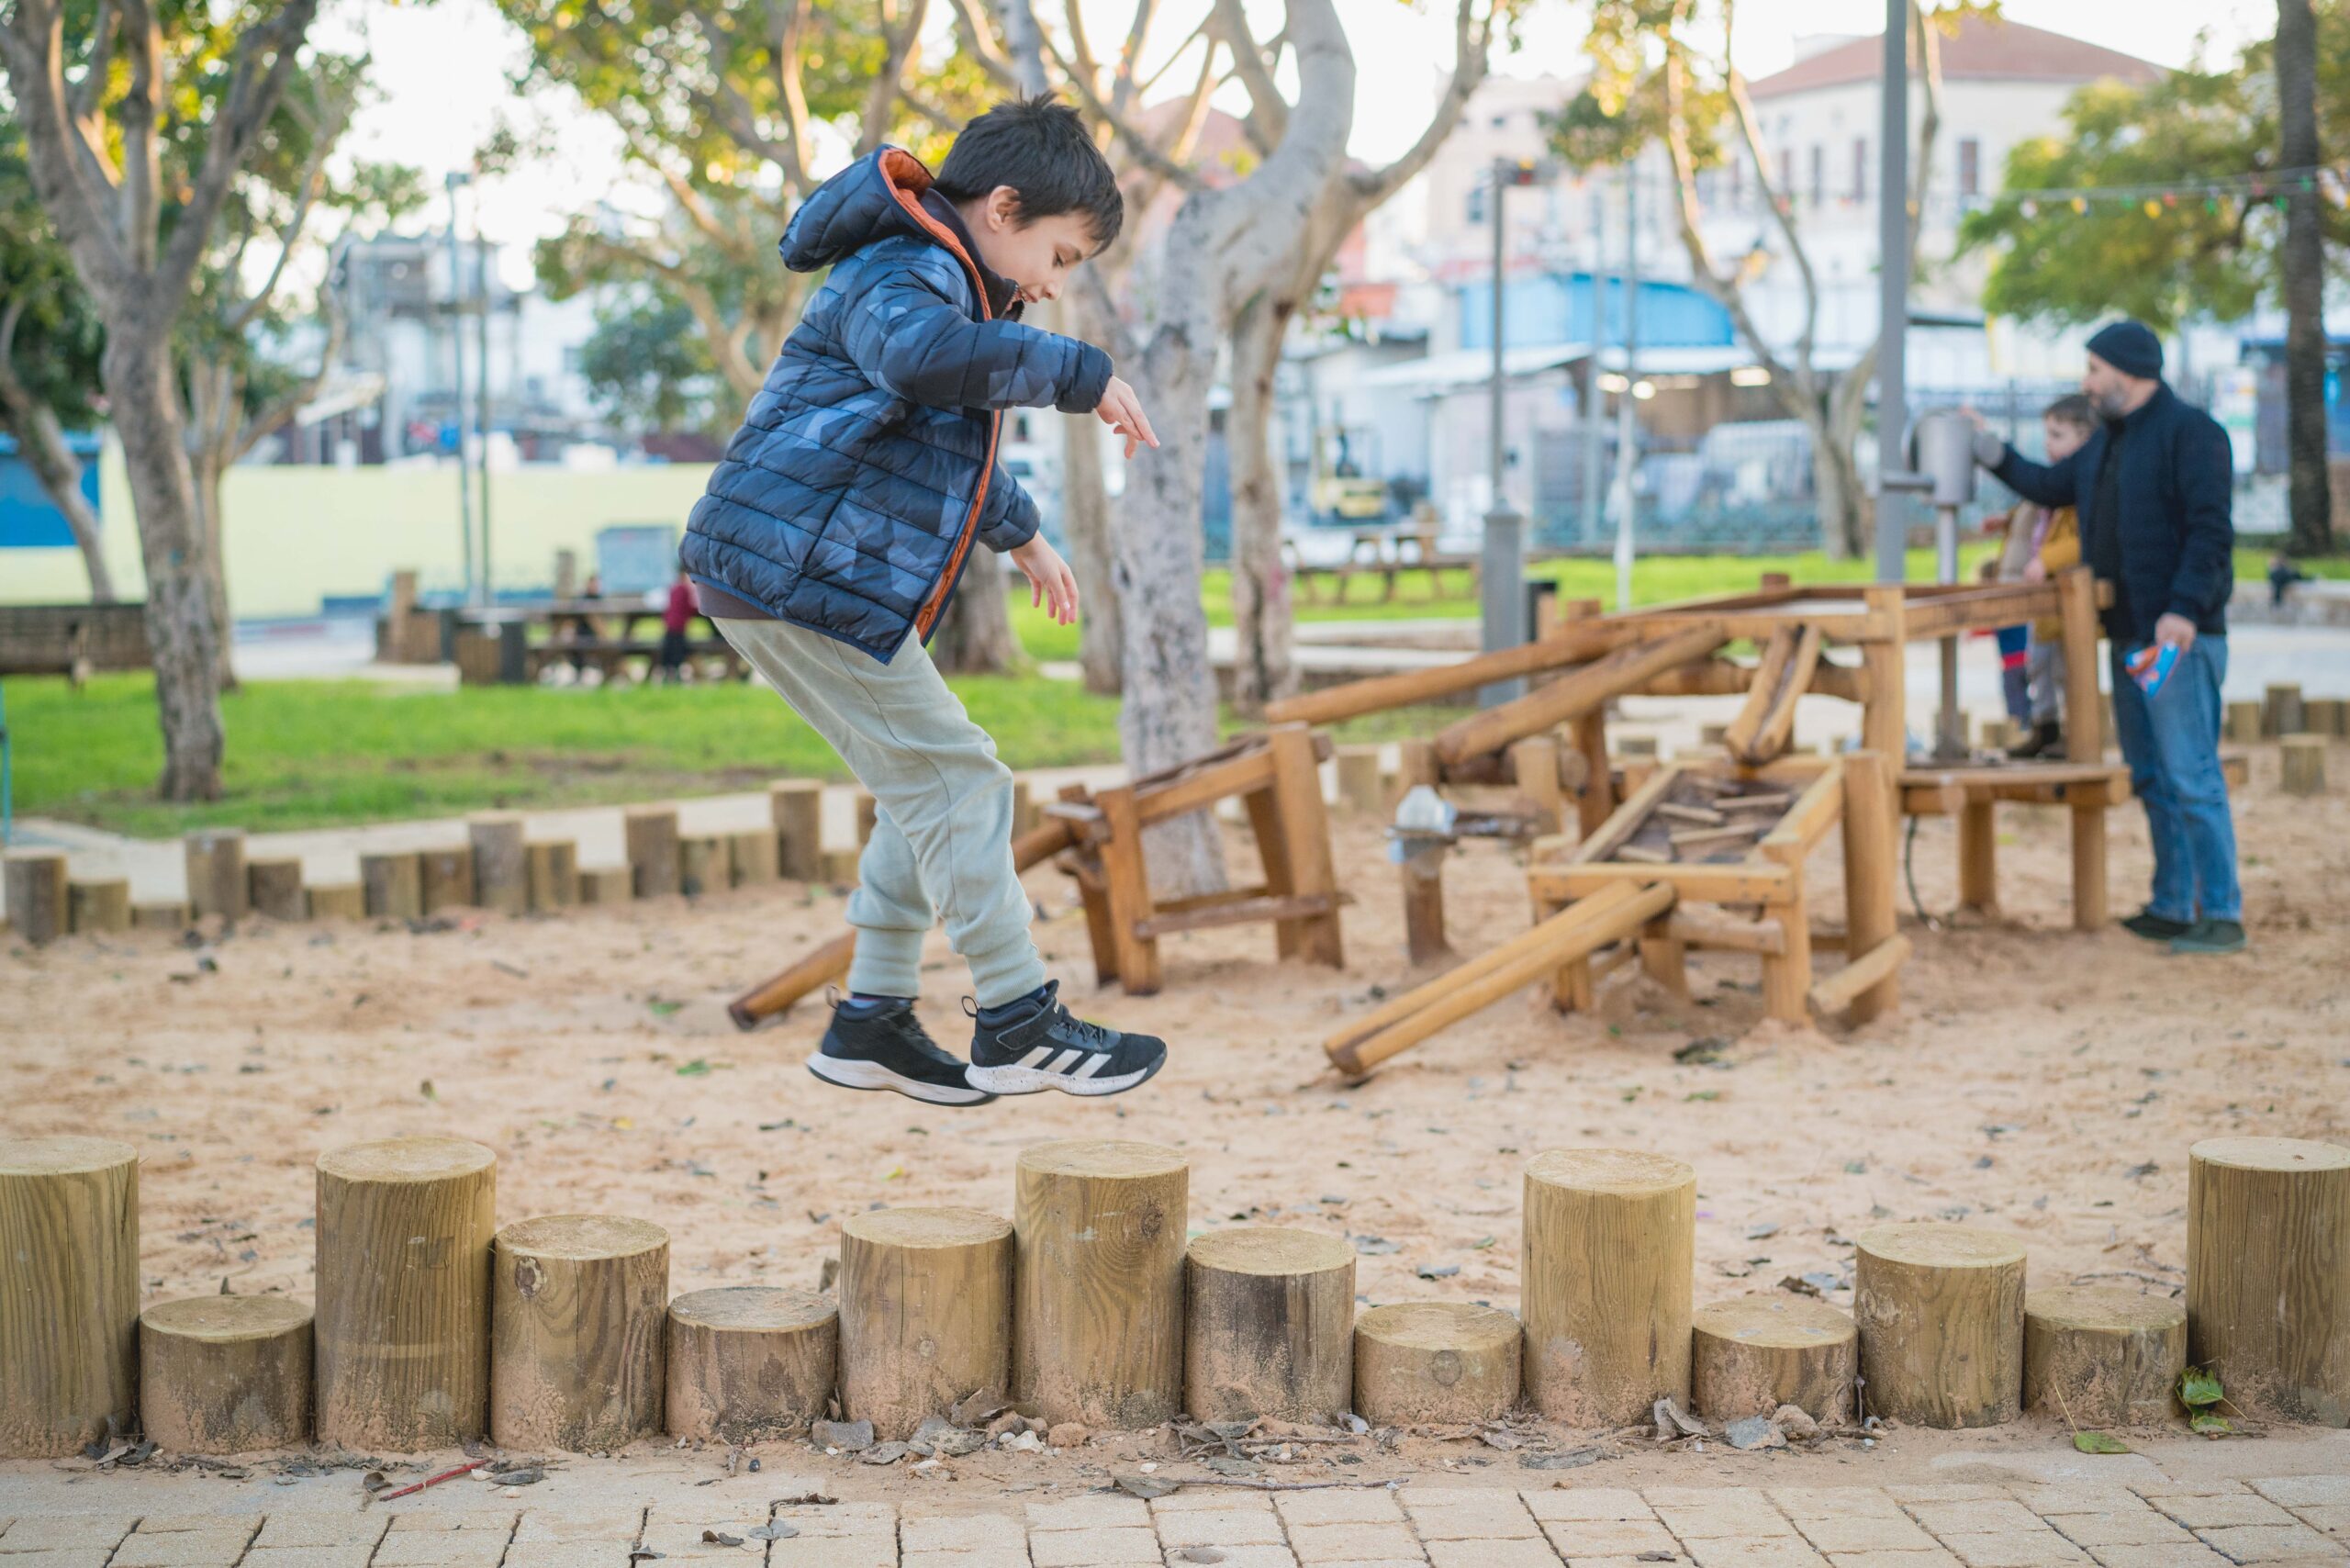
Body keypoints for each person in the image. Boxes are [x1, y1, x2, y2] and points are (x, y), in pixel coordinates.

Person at [680, 95, 1167, 1104]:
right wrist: (1079, 374)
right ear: (1002, 207)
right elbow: (924, 361)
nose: (1054, 285)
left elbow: (934, 439)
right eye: (1060, 257)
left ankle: (872, 1018)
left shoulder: (944, 282)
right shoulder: (904, 269)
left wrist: (1022, 533)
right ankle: (1018, 1018)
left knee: (923, 788)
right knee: (963, 780)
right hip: (801, 573)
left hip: (799, 570)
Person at [1971, 320, 2243, 955]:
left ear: (2129, 369)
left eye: (2095, 369)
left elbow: (2210, 532)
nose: (2087, 382)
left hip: (2176, 639)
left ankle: (2221, 911)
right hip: (2127, 638)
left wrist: (2184, 609)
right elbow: (2046, 485)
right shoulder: (2104, 446)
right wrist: (1990, 450)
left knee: (2191, 773)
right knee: (2151, 774)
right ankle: (2172, 903)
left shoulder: (2192, 434)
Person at [2009, 395, 2092, 758]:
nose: (2048, 444)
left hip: (2065, 601)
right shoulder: (2052, 485)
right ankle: (2045, 726)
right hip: (2042, 603)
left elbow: (2084, 538)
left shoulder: (2082, 486)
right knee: (2037, 666)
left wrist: (2046, 560)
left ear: (2085, 440)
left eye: (2057, 435)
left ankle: (2073, 733)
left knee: (2065, 670)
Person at [656, 567, 696, 684]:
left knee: (669, 650)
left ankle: (667, 674)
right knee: (678, 651)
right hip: (679, 625)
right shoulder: (684, 589)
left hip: (669, 624)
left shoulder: (673, 588)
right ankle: (676, 675)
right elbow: (689, 607)